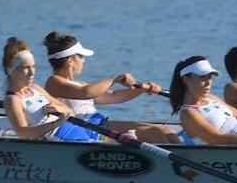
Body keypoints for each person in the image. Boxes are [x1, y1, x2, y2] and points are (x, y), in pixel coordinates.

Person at [40, 31, 171, 143]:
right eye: (81, 57)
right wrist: (115, 79)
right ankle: (172, 170)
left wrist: (142, 89)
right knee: (153, 132)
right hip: (88, 131)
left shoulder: (80, 83)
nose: (84, 60)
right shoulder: (53, 82)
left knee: (165, 130)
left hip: (101, 124)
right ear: (70, 61)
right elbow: (86, 93)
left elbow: (114, 97)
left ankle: (187, 165)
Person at [2, 38, 112, 142]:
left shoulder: (36, 88)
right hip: (58, 137)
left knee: (114, 142)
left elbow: (69, 111)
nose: (32, 72)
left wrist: (58, 108)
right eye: (26, 68)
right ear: (12, 70)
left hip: (73, 128)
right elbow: (24, 134)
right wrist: (55, 124)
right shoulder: (13, 100)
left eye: (34, 67)